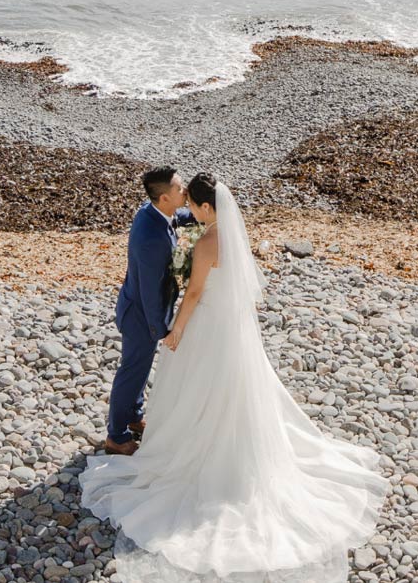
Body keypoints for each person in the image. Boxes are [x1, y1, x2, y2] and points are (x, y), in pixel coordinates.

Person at [81, 173, 389, 583]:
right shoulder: (226, 234)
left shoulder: (208, 239)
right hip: (231, 329)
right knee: (233, 388)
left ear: (207, 208)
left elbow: (192, 293)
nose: (187, 208)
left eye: (193, 203)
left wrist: (174, 331)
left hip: (206, 323)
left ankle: (185, 442)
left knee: (199, 385)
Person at [101, 167, 191, 455]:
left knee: (138, 372)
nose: (185, 189)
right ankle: (116, 435)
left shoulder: (152, 210)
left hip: (135, 303)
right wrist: (162, 329)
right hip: (140, 315)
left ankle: (135, 416)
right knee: (131, 372)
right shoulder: (153, 240)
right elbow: (152, 293)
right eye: (179, 187)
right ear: (164, 197)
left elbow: (176, 218)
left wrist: (206, 216)